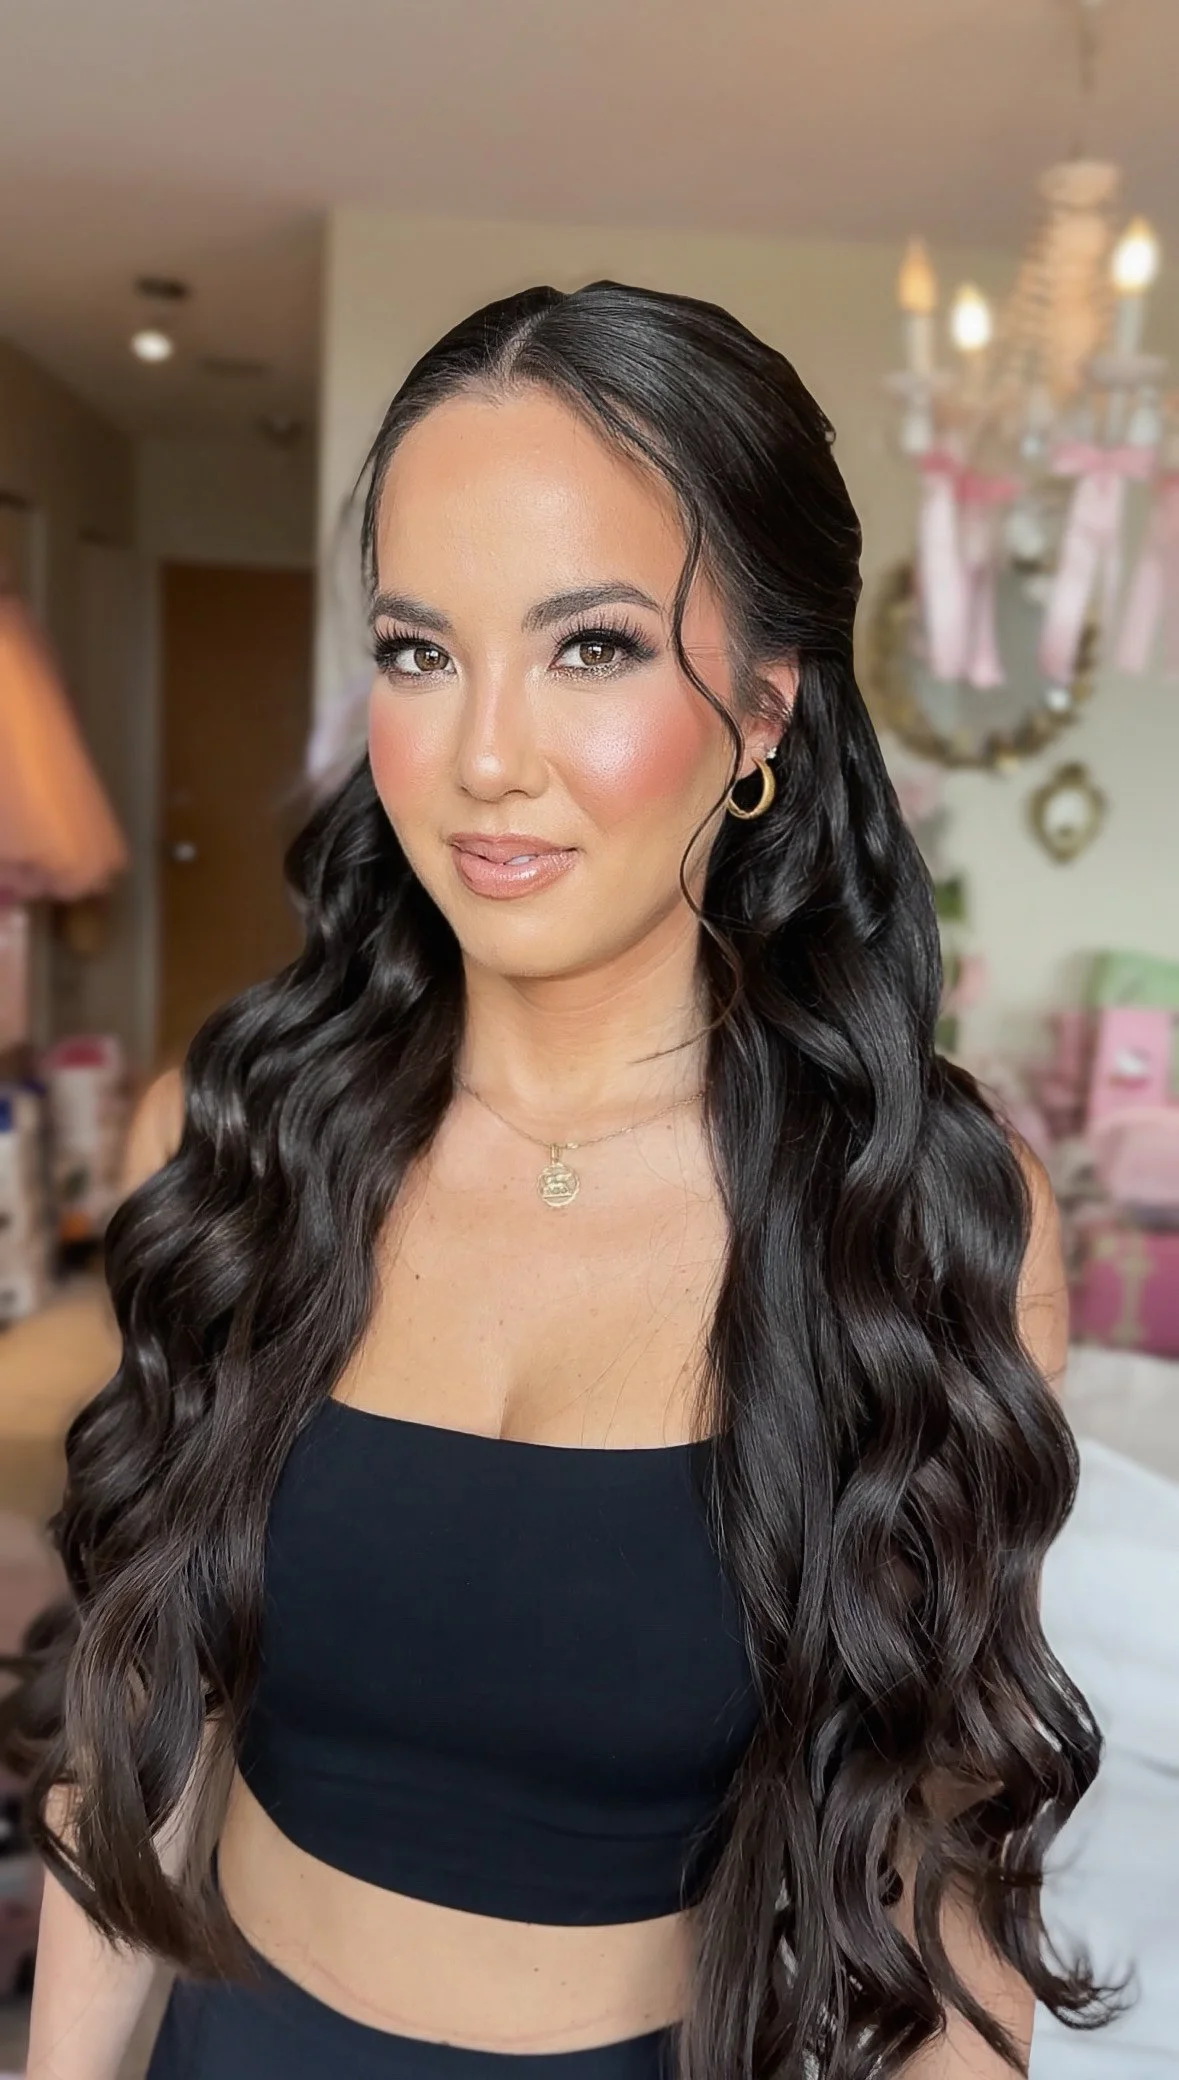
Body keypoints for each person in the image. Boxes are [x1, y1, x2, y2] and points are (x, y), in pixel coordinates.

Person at [12, 282, 1120, 2080]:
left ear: (763, 710)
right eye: (418, 649)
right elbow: (137, 1729)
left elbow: (949, 1872)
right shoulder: (231, 1138)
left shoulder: (918, 1214)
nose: (481, 757)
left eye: (589, 646)